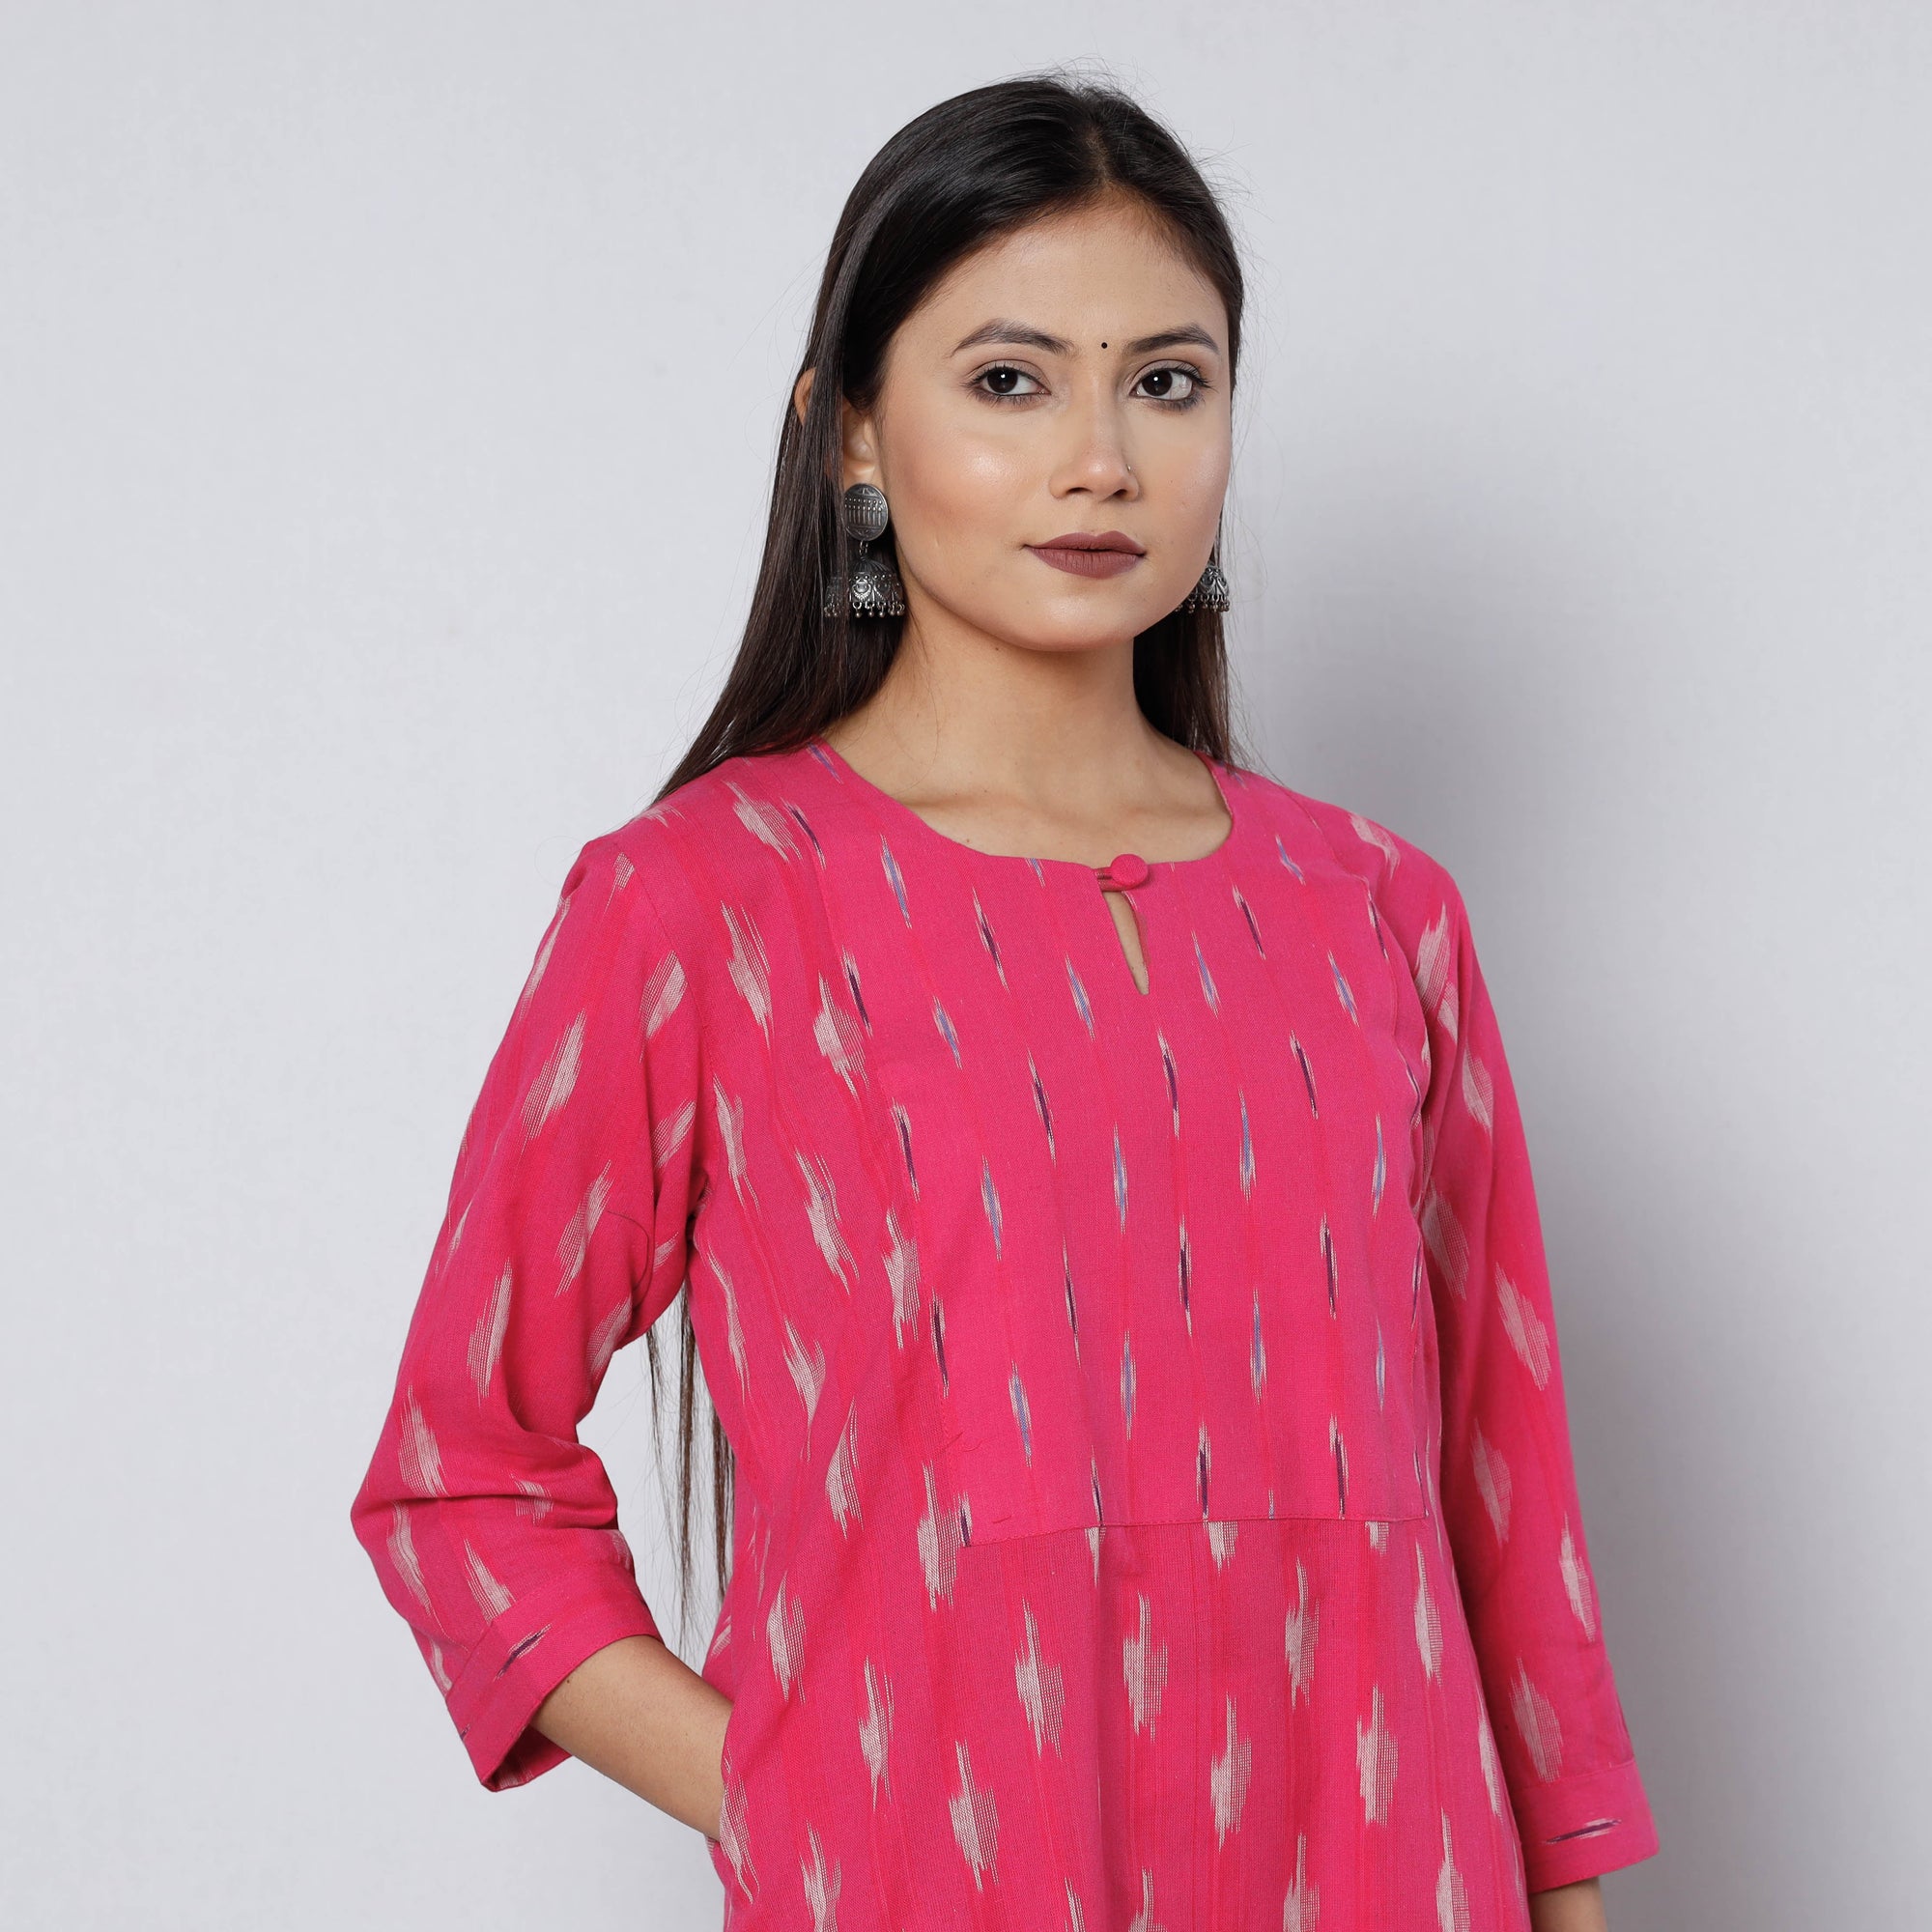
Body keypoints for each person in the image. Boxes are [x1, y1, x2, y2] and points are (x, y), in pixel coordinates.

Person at [349, 71, 1660, 1932]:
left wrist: (1575, 1900)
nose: (1101, 460)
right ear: (852, 436)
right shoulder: (708, 902)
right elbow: (457, 1474)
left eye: (1169, 383)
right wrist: (801, 1792)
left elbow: (1498, 1487)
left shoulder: (1378, 914)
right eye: (1011, 381)